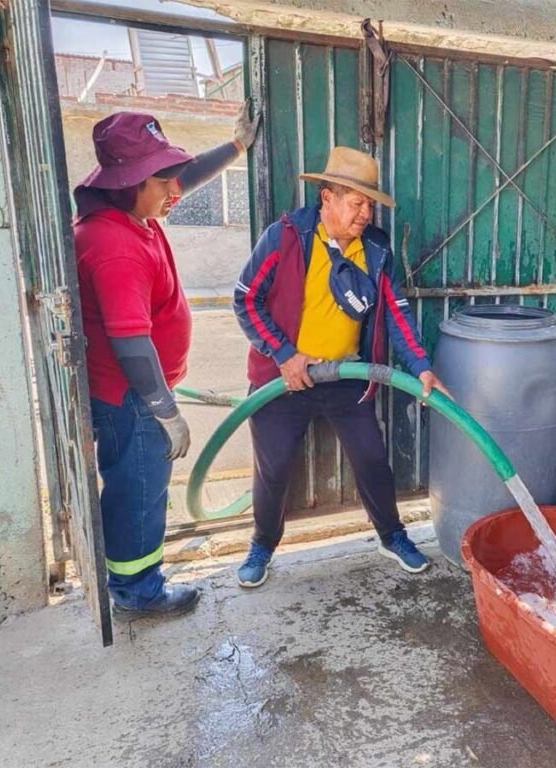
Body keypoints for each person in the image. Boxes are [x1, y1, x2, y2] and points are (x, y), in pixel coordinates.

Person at [233, 146, 449, 588]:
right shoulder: (286, 237)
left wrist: (421, 367)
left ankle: (392, 535)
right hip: (282, 379)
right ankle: (262, 543)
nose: (366, 213)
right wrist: (283, 354)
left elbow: (396, 311)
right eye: (357, 203)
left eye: (370, 204)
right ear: (327, 198)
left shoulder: (375, 249)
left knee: (372, 458)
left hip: (347, 377)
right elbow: (246, 300)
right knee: (273, 469)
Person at [74, 104, 260, 618]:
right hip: (131, 398)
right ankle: (138, 593)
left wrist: (236, 148)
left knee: (141, 489)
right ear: (131, 182)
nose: (175, 192)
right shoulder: (114, 245)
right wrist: (165, 410)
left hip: (136, 395)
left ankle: (136, 581)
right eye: (162, 183)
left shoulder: (132, 213)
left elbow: (180, 179)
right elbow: (132, 342)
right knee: (138, 493)